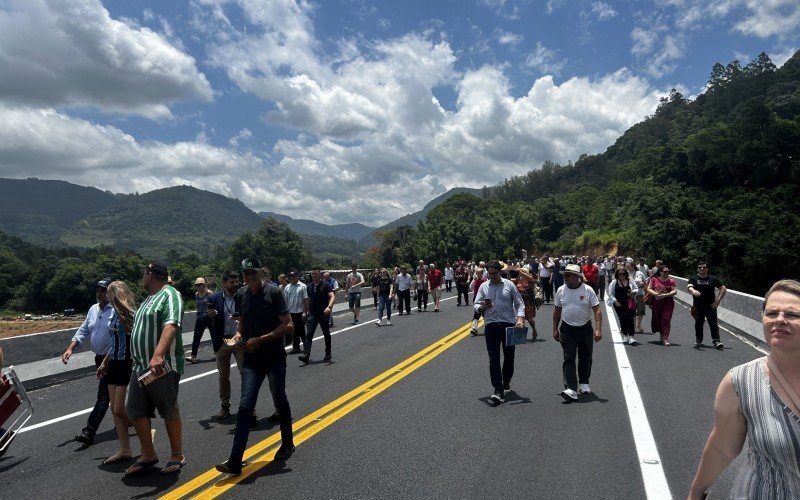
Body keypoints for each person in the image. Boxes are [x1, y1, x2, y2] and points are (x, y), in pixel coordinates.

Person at [688, 279, 800, 499]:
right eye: (772, 313)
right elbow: (722, 447)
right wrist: (696, 492)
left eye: (793, 314)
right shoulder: (741, 381)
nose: (780, 320)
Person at [215, 257, 295, 476]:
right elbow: (242, 321)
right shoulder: (241, 294)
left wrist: (259, 339)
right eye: (245, 274)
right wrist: (239, 334)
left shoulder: (275, 293)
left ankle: (287, 443)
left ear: (260, 273)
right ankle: (235, 460)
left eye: (252, 273)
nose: (248, 277)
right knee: (245, 407)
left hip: (274, 357)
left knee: (279, 397)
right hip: (252, 359)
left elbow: (288, 325)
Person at [124, 262, 185, 476]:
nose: (143, 276)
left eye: (144, 272)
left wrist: (158, 355)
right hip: (141, 367)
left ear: (150, 274)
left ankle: (177, 455)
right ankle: (148, 454)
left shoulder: (170, 294)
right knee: (135, 409)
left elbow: (171, 325)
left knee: (168, 408)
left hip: (162, 366)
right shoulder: (148, 299)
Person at [61, 277, 115, 447]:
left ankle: (89, 431)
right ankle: (128, 418)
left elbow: (119, 339)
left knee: (104, 396)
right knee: (116, 393)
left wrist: (106, 362)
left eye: (104, 291)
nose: (100, 294)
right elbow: (83, 330)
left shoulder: (116, 310)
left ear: (111, 293)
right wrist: (70, 348)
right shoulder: (93, 309)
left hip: (113, 358)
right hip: (99, 358)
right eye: (98, 290)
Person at [95, 280, 136, 465]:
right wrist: (104, 363)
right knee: (114, 409)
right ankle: (124, 449)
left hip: (127, 362)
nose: (106, 296)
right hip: (114, 363)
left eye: (109, 293)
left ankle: (140, 423)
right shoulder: (112, 315)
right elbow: (113, 343)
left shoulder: (130, 314)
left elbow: (136, 340)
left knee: (120, 408)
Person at [474, 261, 525, 405]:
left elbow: (519, 303)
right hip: (491, 326)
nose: (492, 276)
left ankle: (506, 380)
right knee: (493, 358)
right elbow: (476, 304)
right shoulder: (484, 286)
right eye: (489, 274)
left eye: (494, 274)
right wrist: (483, 306)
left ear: (500, 272)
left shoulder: (509, 285)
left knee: (509, 356)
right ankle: (498, 390)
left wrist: (520, 319)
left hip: (508, 325)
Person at [553, 264, 602, 401]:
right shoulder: (561, 290)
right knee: (569, 358)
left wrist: (598, 329)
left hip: (585, 328)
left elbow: (597, 310)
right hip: (567, 329)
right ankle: (571, 388)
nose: (565, 277)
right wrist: (554, 328)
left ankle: (584, 382)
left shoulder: (588, 290)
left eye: (568, 275)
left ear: (577, 277)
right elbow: (557, 310)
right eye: (564, 275)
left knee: (585, 357)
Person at [207, 271, 246, 420]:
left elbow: (248, 314)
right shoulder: (214, 298)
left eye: (236, 282)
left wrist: (241, 319)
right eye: (231, 282)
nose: (235, 285)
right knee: (223, 376)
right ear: (224, 283)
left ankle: (248, 406)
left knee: (245, 373)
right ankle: (225, 406)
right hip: (222, 341)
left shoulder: (243, 296)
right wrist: (210, 315)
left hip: (239, 340)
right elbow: (204, 317)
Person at [688, 262, 728, 349]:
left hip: (710, 306)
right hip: (698, 306)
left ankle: (716, 341)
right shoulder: (693, 278)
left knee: (713, 323)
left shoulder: (712, 279)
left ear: (707, 269)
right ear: (697, 269)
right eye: (700, 268)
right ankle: (699, 339)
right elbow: (689, 286)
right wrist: (693, 291)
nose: (702, 269)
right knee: (699, 323)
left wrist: (718, 300)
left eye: (704, 267)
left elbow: (723, 289)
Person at [299, 268, 334, 364]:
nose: (314, 275)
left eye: (316, 273)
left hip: (323, 313)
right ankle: (306, 355)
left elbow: (332, 296)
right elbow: (307, 300)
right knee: (309, 334)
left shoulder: (326, 284)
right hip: (313, 313)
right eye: (312, 273)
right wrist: (304, 312)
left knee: (326, 333)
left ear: (320, 274)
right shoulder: (309, 286)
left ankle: (328, 353)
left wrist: (329, 307)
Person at [607, 267, 638, 345]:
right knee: (622, 319)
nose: (622, 275)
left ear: (626, 274)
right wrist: (615, 301)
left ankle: (631, 337)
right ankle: (625, 335)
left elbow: (636, 289)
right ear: (617, 274)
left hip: (629, 302)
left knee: (630, 319)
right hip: (619, 304)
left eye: (623, 274)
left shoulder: (630, 280)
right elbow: (610, 293)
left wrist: (632, 292)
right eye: (620, 274)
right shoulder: (614, 282)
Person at [647, 265, 677, 346]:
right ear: (660, 272)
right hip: (656, 302)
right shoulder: (654, 279)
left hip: (668, 302)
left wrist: (666, 295)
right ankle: (661, 334)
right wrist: (655, 294)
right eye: (664, 271)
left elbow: (674, 291)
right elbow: (649, 289)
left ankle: (665, 338)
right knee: (658, 318)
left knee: (666, 319)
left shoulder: (671, 281)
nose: (666, 273)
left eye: (668, 271)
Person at [186, 277, 212, 364]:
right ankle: (193, 356)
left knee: (214, 335)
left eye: (199, 285)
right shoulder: (196, 294)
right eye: (196, 285)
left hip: (209, 317)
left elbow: (214, 303)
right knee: (196, 337)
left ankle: (217, 353)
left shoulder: (209, 293)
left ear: (204, 285)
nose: (197, 286)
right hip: (200, 317)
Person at [282, 270, 308, 354]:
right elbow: (285, 301)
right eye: (290, 276)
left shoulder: (303, 286)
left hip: (300, 312)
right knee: (293, 331)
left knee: (302, 331)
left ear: (298, 276)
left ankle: (306, 347)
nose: (292, 278)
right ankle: (296, 347)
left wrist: (305, 312)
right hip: (290, 313)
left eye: (294, 276)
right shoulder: (287, 287)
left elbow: (306, 299)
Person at [515, 267, 540, 340]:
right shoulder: (518, 279)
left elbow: (531, 278)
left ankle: (534, 330)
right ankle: (522, 335)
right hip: (520, 301)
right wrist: (507, 272)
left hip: (529, 301)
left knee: (529, 319)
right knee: (521, 318)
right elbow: (510, 281)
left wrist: (521, 271)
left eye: (522, 272)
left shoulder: (529, 278)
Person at [469, 267, 488, 335]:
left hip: (484, 299)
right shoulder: (475, 280)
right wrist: (474, 281)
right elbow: (471, 288)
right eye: (476, 273)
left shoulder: (486, 280)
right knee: (476, 314)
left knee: (485, 314)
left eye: (478, 273)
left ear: (481, 273)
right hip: (476, 299)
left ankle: (487, 328)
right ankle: (474, 328)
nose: (477, 275)